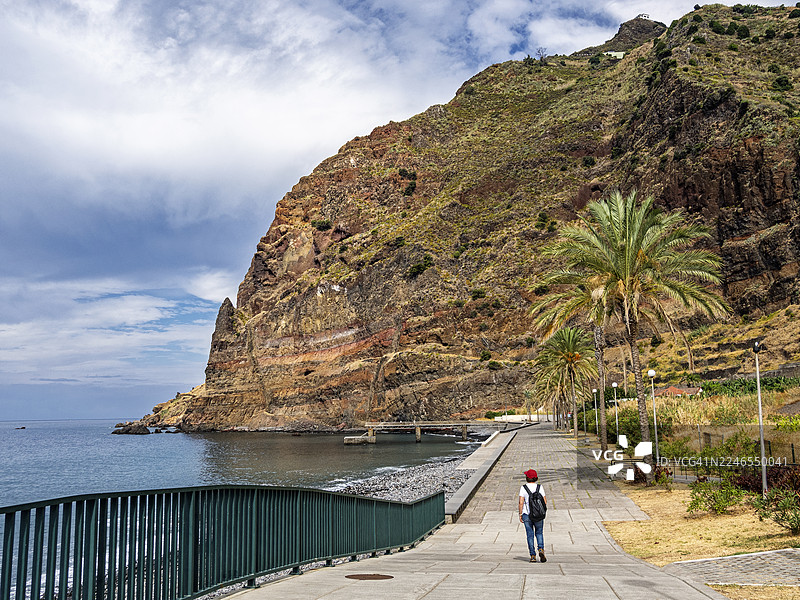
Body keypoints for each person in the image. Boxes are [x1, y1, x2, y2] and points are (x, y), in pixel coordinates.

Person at [519, 468, 546, 563]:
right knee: (539, 533)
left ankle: (533, 555)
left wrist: (520, 514)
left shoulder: (523, 488)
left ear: (527, 478)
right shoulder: (539, 487)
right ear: (536, 478)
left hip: (527, 514)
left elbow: (521, 502)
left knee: (530, 535)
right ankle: (541, 549)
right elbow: (544, 501)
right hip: (538, 514)